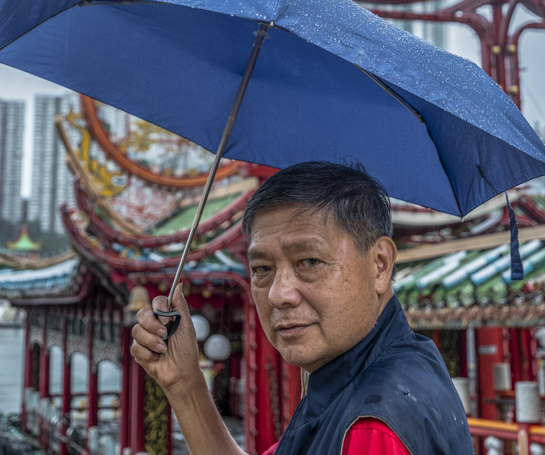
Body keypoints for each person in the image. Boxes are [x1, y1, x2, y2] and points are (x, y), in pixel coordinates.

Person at [131, 161, 473, 455]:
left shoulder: (371, 427)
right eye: (263, 268)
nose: (279, 294)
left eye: (309, 261)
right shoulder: (359, 376)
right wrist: (185, 384)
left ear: (380, 264)